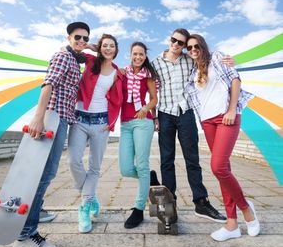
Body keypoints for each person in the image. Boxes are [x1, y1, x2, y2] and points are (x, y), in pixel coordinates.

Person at [12, 21, 91, 247]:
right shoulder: (63, 57)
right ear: (68, 37)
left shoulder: (75, 57)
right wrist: (38, 118)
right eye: (77, 37)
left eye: (86, 38)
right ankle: (24, 235)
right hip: (52, 120)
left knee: (45, 173)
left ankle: (37, 210)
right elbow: (48, 85)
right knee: (43, 175)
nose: (82, 42)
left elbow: (86, 52)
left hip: (61, 120)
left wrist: (90, 46)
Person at [185, 34, 260, 241]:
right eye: (189, 48)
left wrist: (231, 110)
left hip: (226, 117)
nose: (193, 50)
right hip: (208, 122)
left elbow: (235, 80)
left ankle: (246, 209)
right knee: (223, 170)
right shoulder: (192, 72)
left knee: (217, 167)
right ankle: (232, 224)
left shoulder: (217, 58)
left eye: (196, 46)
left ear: (203, 46)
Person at [150, 28, 227, 223]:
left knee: (192, 159)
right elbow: (146, 84)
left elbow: (208, 60)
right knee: (166, 160)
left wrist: (229, 61)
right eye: (174, 40)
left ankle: (201, 203)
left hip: (186, 113)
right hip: (165, 114)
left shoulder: (189, 60)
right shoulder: (155, 64)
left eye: (181, 43)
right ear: (170, 39)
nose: (176, 45)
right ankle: (170, 204)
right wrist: (153, 117)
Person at [68, 33, 123, 233]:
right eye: (105, 45)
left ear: (116, 50)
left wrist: (112, 121)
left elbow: (119, 98)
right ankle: (90, 196)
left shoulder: (118, 72)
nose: (108, 49)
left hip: (101, 123)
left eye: (112, 46)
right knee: (73, 161)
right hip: (80, 119)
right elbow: (73, 50)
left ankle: (84, 206)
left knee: (95, 167)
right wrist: (91, 46)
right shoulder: (90, 60)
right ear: (100, 48)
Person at [119, 42, 158, 229]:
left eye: (141, 54)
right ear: (130, 54)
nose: (138, 57)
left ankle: (139, 209)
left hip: (143, 121)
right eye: (135, 54)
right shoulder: (123, 73)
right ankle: (148, 178)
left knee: (141, 164)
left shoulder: (148, 76)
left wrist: (145, 108)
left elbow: (154, 98)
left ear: (145, 55)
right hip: (125, 123)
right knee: (125, 168)